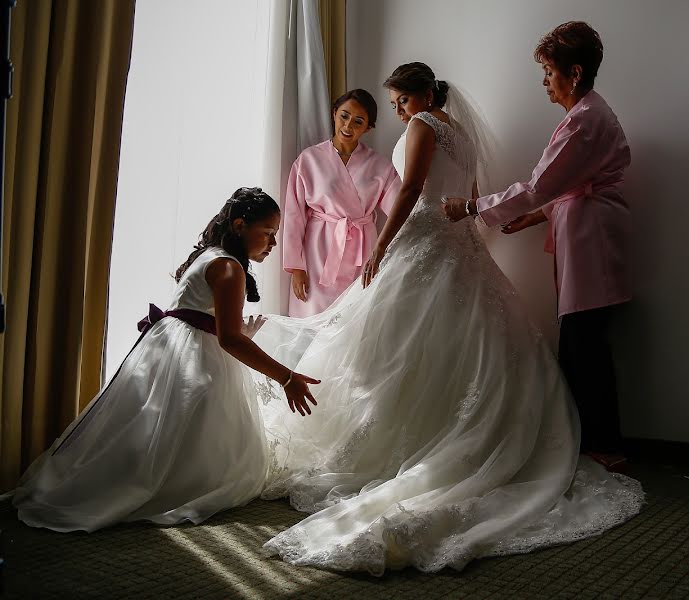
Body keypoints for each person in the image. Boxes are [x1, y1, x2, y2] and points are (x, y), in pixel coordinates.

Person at [251, 63, 643, 575]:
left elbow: (412, 187)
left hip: (424, 237)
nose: (396, 111)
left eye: (398, 101)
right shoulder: (460, 133)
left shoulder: (423, 125)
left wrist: (382, 245)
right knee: (454, 340)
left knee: (394, 343)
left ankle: (400, 444)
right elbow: (467, 191)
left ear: (418, 96)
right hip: (456, 241)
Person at [9, 187, 319, 533]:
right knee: (187, 423)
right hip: (193, 353)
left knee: (150, 425)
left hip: (168, 343)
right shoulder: (229, 268)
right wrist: (286, 376)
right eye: (269, 233)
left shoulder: (209, 255)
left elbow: (206, 317)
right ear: (239, 225)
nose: (273, 244)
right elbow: (228, 338)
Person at [444, 21, 632, 470]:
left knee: (583, 345)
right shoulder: (585, 116)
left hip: (593, 240)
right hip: (587, 231)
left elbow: (539, 186)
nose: (544, 81)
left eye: (549, 71)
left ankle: (602, 446)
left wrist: (472, 206)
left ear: (575, 71)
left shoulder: (584, 122)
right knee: (584, 342)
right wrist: (533, 216)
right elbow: (556, 190)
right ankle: (598, 443)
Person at [283, 89, 401, 317]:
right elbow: (293, 215)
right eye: (344, 116)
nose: (348, 126)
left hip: (361, 251)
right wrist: (296, 267)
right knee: (312, 317)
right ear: (334, 113)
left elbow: (399, 207)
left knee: (353, 319)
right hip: (318, 252)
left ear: (368, 127)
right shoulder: (309, 159)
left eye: (359, 121)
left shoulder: (380, 165)